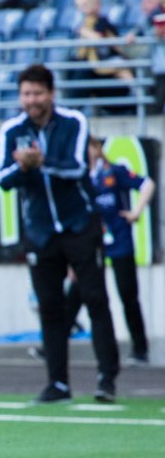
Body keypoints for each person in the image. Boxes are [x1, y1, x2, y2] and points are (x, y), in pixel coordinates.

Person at [0, 64, 120, 403]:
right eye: (26, 94)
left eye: (37, 93)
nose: (31, 100)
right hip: (41, 231)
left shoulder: (74, 122)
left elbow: (80, 166)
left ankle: (106, 378)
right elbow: (2, 179)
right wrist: (24, 167)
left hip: (80, 225)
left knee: (95, 298)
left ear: (51, 93)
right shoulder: (11, 129)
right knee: (50, 307)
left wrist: (42, 162)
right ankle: (58, 384)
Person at [63, 137, 155, 365]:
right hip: (91, 245)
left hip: (119, 242)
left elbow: (147, 184)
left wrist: (136, 211)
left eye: (89, 147)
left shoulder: (114, 172)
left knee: (127, 294)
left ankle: (140, 349)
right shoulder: (79, 178)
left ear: (97, 149)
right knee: (77, 292)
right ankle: (54, 344)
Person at [69, 0, 135, 106]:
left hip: (109, 59)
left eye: (85, 5)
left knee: (123, 71)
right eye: (79, 6)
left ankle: (136, 92)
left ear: (96, 5)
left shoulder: (101, 22)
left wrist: (84, 31)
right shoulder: (84, 23)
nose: (82, 10)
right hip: (94, 62)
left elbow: (98, 38)